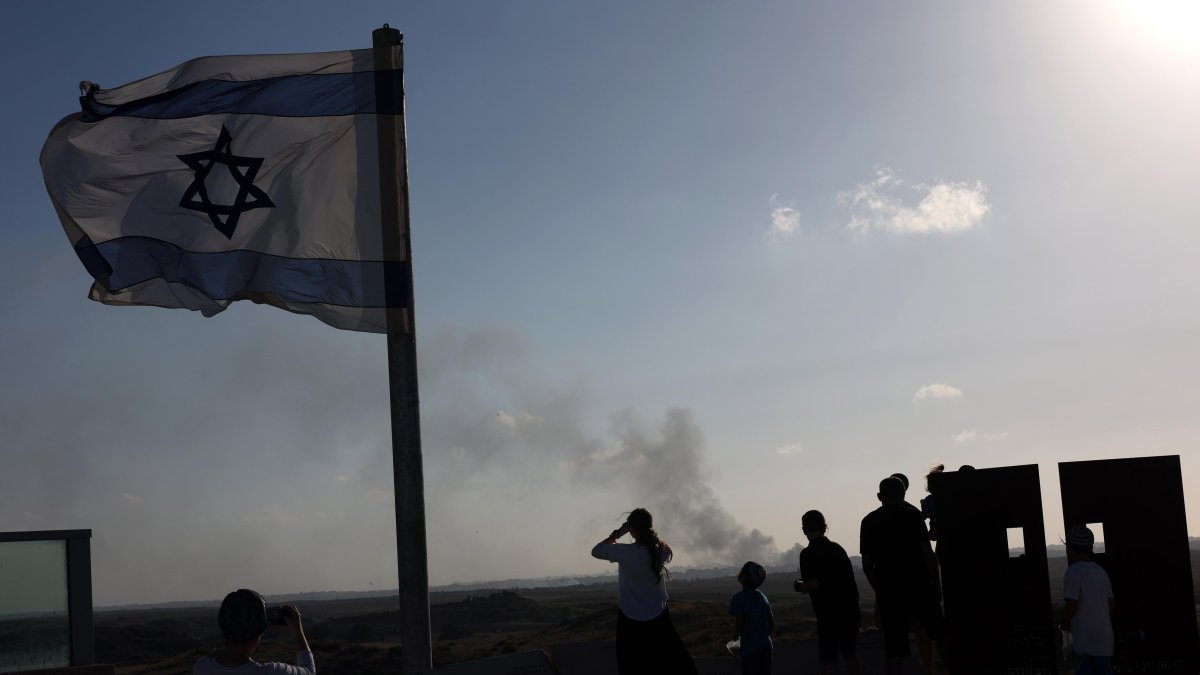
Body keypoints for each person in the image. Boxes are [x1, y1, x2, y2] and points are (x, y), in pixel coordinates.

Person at [591, 507, 697, 674]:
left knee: (632, 666)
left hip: (629, 616)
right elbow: (658, 545)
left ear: (631, 530)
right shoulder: (662, 550)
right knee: (669, 663)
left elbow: (596, 551)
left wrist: (617, 534)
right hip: (659, 614)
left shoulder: (625, 552)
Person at [860, 476, 945, 675]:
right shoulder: (914, 517)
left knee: (894, 652)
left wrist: (880, 590)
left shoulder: (869, 521)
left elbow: (866, 564)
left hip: (890, 593)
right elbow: (927, 554)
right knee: (940, 636)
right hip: (920, 587)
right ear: (904, 495)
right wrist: (937, 584)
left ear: (880, 496)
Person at [795, 510, 861, 675]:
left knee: (829, 660)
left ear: (804, 530)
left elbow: (813, 583)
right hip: (850, 611)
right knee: (849, 654)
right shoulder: (838, 549)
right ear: (825, 527)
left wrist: (798, 585)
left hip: (828, 616)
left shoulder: (807, 554)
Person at [193, 588, 315, 674]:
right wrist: (298, 631)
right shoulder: (272, 672)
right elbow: (309, 671)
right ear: (258, 637)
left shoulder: (201, 667)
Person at [1060, 525, 1114, 675]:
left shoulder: (1073, 572)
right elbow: (1111, 604)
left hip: (1086, 641)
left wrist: (1064, 623)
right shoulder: (1100, 572)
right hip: (1105, 641)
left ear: (1070, 548)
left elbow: (1072, 604)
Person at [729, 561, 774, 675]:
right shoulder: (763, 597)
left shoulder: (739, 598)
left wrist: (735, 640)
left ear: (743, 577)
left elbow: (739, 620)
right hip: (766, 646)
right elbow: (771, 623)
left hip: (750, 649)